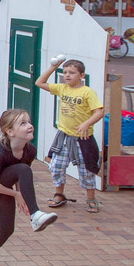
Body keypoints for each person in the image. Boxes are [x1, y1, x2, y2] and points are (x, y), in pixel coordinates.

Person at [0, 109, 59, 266]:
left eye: (29, 121)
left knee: (6, 228)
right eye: (23, 123)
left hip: (5, 180)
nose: (30, 126)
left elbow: (21, 176)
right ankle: (36, 216)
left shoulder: (30, 150)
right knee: (23, 169)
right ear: (9, 132)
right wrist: (16, 195)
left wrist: (22, 195)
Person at [36, 57, 104, 214]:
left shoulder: (87, 92)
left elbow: (99, 112)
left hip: (83, 139)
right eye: (65, 72)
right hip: (64, 137)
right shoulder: (62, 88)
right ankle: (59, 194)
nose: (67, 75)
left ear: (81, 75)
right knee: (56, 167)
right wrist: (53, 67)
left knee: (86, 170)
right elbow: (39, 83)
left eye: (72, 72)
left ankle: (91, 198)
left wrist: (87, 123)